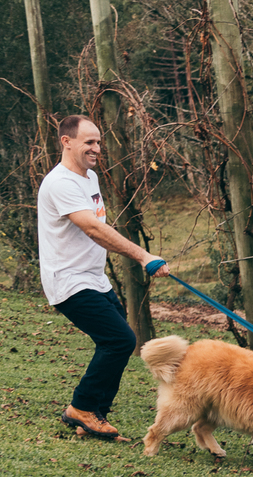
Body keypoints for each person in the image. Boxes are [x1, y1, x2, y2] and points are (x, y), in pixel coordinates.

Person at [38, 115, 170, 439]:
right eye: (89, 142)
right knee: (119, 340)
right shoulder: (60, 183)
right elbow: (93, 228)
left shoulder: (90, 177)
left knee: (118, 342)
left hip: (93, 278)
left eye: (98, 142)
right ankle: (82, 408)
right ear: (66, 142)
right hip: (69, 280)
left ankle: (93, 415)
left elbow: (97, 227)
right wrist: (144, 256)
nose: (97, 148)